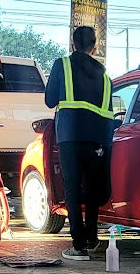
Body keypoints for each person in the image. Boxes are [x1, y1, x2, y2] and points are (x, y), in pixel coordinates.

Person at [45, 26, 115, 261]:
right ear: (94, 47)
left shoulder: (62, 65)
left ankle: (78, 245)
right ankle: (93, 239)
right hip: (97, 140)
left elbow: (49, 100)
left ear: (73, 44)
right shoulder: (106, 78)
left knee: (73, 189)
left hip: (70, 136)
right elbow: (109, 114)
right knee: (93, 191)